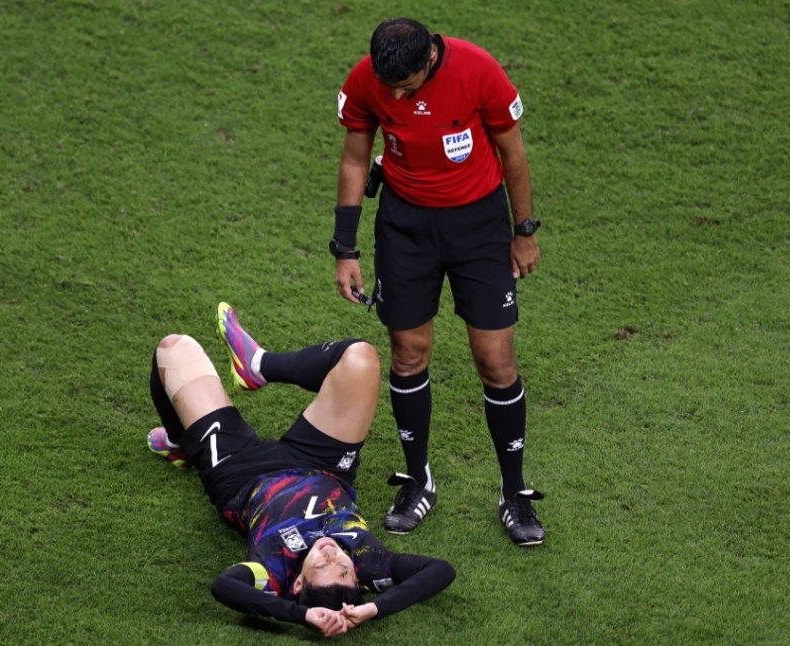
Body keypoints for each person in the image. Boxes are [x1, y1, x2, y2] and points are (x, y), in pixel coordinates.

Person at [330, 17, 546, 546]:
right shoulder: (368, 80)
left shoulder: (479, 71)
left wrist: (523, 232)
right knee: (408, 353)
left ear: (429, 59)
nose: (396, 98)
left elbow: (513, 153)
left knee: (496, 360)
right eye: (389, 88)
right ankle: (416, 480)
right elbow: (357, 158)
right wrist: (345, 246)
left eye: (405, 87)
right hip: (405, 227)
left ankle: (514, 492)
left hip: (478, 228)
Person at [146, 302, 456, 637]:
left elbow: (225, 587)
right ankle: (258, 365)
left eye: (322, 566)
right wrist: (376, 608)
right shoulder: (370, 561)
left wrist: (300, 616)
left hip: (239, 475)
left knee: (173, 350)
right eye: (342, 568)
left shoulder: (273, 570)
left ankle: (181, 443)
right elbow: (441, 570)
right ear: (359, 579)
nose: (331, 554)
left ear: (297, 583)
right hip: (322, 464)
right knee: (360, 357)